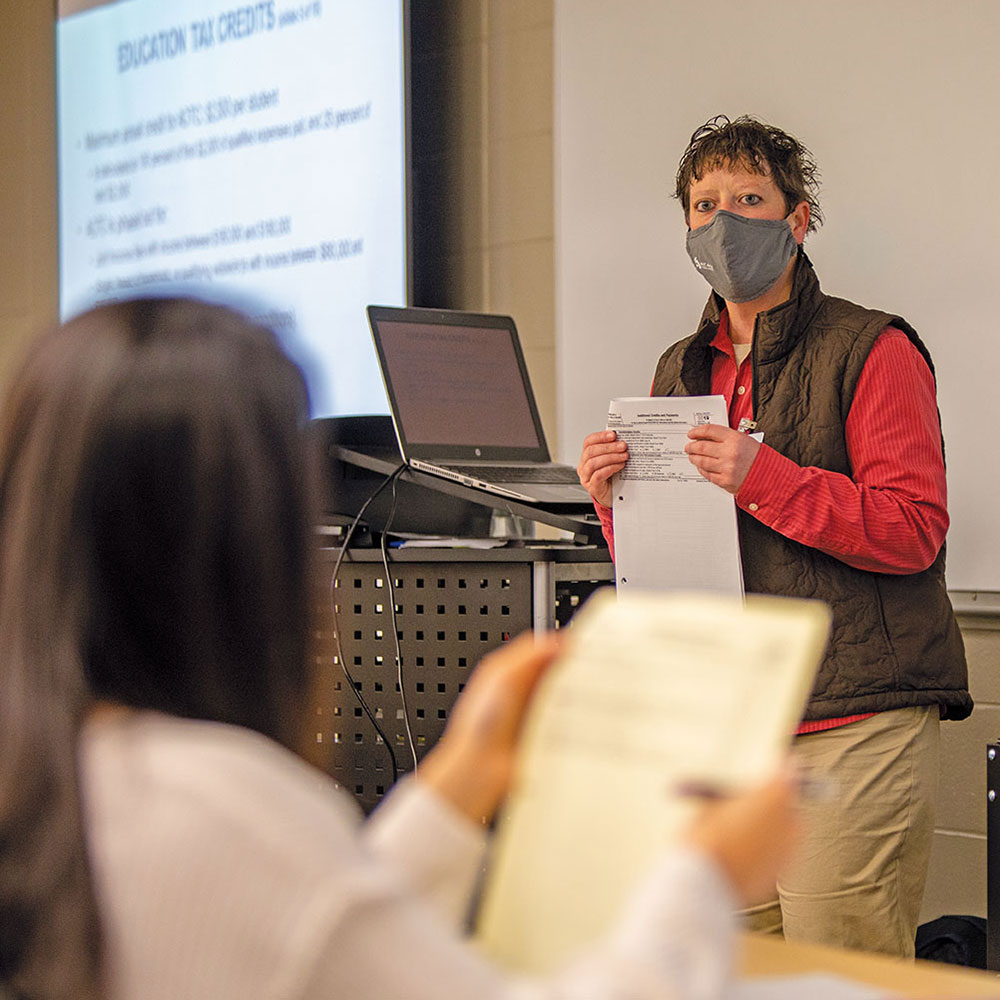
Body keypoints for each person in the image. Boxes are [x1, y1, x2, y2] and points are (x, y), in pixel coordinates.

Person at [0, 297, 799, 1000]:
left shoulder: (64, 772)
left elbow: (314, 937)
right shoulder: (216, 804)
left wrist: (462, 774)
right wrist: (701, 875)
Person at [577, 114, 972, 958]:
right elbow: (671, 566)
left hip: (853, 713)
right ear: (687, 228)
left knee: (838, 972)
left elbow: (912, 531)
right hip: (728, 722)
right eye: (704, 202)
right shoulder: (679, 367)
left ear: (797, 220)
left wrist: (762, 477)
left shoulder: (873, 347)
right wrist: (615, 501)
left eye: (749, 198)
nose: (724, 220)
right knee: (737, 967)